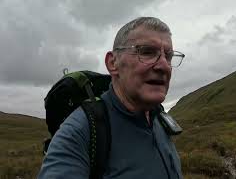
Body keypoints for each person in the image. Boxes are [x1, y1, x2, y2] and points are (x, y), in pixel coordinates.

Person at [38, 17, 185, 179]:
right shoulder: (78, 133)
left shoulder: (159, 119)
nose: (164, 66)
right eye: (147, 52)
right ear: (113, 63)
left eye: (169, 56)